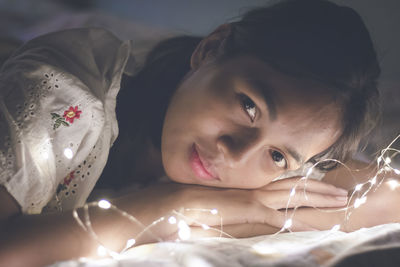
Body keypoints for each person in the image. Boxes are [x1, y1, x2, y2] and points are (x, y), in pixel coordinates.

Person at [0, 0, 399, 266]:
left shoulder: (271, 173)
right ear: (211, 49)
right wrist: (177, 202)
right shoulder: (67, 97)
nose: (236, 154)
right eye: (249, 106)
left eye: (279, 155)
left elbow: (389, 196)